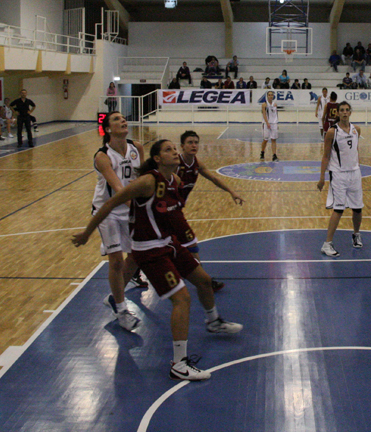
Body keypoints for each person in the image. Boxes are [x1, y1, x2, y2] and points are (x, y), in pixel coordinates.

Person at [73, 139, 242, 381]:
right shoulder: (147, 181)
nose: (175, 152)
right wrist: (87, 233)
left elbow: (173, 214)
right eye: (168, 150)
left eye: (175, 149)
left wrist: (186, 239)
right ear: (157, 159)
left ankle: (213, 321)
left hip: (168, 243)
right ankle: (179, 364)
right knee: (182, 299)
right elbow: (110, 203)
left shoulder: (176, 181)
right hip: (149, 250)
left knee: (204, 281)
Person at [81, 111, 146, 331]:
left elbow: (144, 177)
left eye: (124, 118)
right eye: (117, 119)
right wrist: (140, 210)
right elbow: (118, 188)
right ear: (108, 129)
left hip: (128, 208)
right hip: (107, 210)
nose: (123, 121)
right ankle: (121, 310)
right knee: (116, 261)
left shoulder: (136, 147)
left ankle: (115, 296)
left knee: (137, 256)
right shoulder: (103, 156)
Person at [176, 130, 244, 292]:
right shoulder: (175, 164)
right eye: (190, 143)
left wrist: (232, 192)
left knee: (176, 247)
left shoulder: (197, 164)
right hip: (167, 213)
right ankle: (205, 281)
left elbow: (214, 178)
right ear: (182, 146)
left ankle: (198, 278)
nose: (194, 145)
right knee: (190, 245)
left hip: (175, 212)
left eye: (196, 142)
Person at [317, 101, 364, 256]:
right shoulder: (332, 132)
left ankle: (356, 235)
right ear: (337, 113)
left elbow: (355, 150)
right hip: (338, 174)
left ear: (350, 112)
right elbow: (325, 156)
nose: (344, 112)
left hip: (355, 173)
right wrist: (322, 177)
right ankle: (327, 244)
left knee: (358, 208)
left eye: (347, 110)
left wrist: (356, 166)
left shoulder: (357, 129)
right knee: (339, 209)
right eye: (342, 110)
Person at [260, 90, 279, 162]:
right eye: (269, 95)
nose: (271, 96)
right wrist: (267, 123)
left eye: (272, 95)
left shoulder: (275, 104)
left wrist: (277, 123)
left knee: (274, 139)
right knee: (265, 140)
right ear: (267, 96)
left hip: (274, 123)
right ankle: (262, 152)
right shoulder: (264, 104)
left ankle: (274, 155)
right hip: (266, 124)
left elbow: (276, 114)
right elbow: (264, 114)